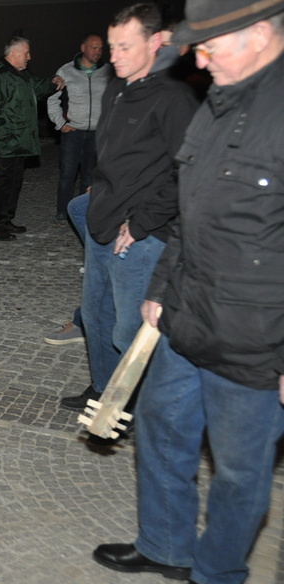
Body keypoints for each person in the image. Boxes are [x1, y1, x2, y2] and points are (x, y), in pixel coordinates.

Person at [93, 0, 284, 584]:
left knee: (238, 468)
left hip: (256, 337)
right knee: (163, 429)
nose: (198, 60)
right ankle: (165, 545)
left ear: (259, 34)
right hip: (185, 313)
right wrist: (161, 287)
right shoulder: (215, 105)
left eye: (210, 46)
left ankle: (217, 573)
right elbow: (188, 214)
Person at [59, 3, 197, 417]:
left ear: (154, 43)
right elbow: (113, 152)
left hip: (139, 234)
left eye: (124, 47)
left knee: (128, 330)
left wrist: (141, 224)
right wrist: (99, 185)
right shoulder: (117, 88)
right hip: (104, 218)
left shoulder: (174, 97)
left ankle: (133, 407)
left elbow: (185, 173)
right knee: (96, 317)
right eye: (111, 46)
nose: (114, 56)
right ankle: (104, 391)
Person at [0, 37, 64, 241]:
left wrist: (53, 83)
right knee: (5, 185)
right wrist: (7, 136)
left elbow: (38, 88)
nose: (30, 57)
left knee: (15, 183)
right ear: (14, 53)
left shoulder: (22, 75)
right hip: (7, 144)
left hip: (19, 142)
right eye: (26, 53)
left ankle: (6, 220)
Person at [47, 34, 111, 225]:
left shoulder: (108, 71)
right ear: (83, 48)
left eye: (100, 48)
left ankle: (85, 212)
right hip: (73, 132)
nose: (97, 52)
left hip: (97, 132)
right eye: (93, 47)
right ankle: (62, 211)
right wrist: (60, 123)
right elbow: (52, 98)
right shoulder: (66, 71)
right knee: (68, 173)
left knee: (90, 176)